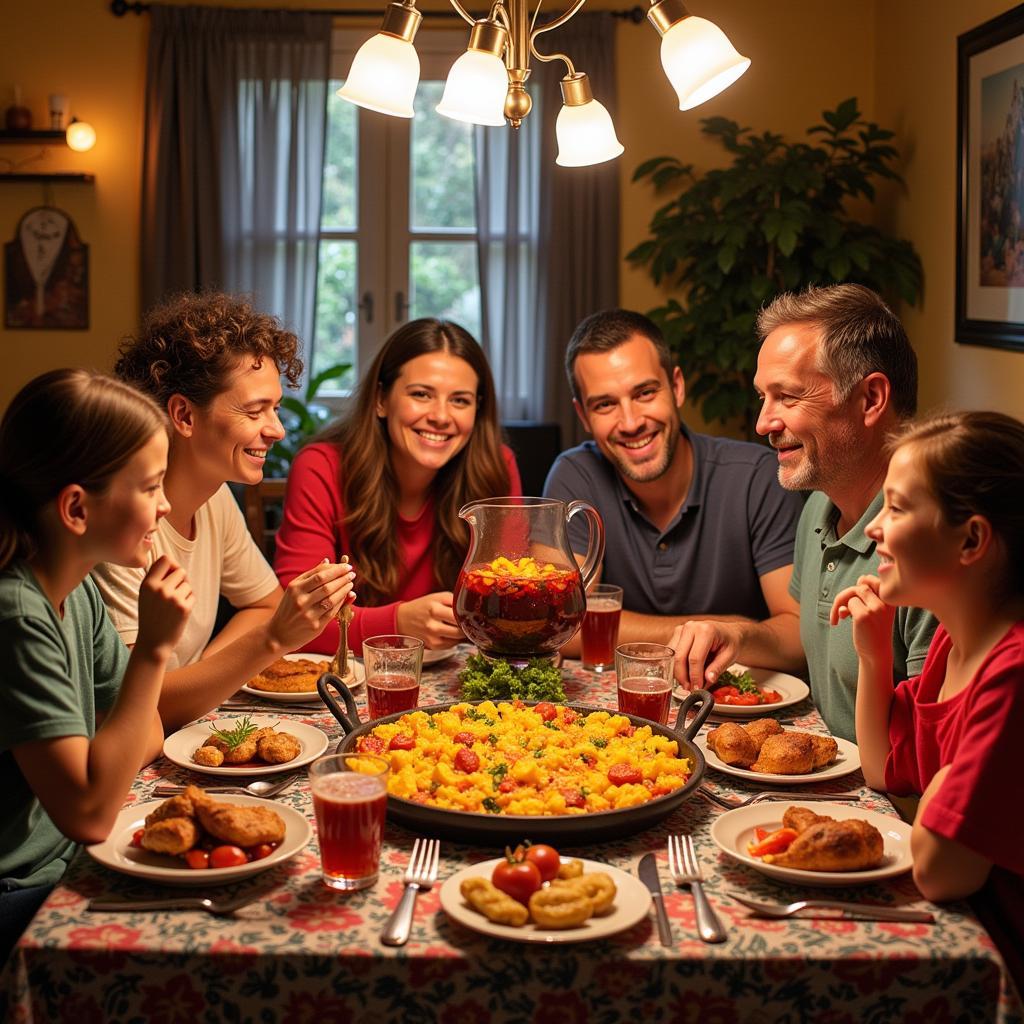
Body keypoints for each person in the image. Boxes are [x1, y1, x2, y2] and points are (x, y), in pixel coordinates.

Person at [92, 293, 355, 730]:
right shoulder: (121, 526)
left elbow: (264, 602)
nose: (275, 429)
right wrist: (268, 643)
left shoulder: (213, 495)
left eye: (275, 408)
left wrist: (198, 676)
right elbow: (140, 711)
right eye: (255, 411)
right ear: (184, 415)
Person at [0, 369, 193, 963]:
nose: (165, 506)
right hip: (21, 890)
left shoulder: (76, 591)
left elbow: (150, 730)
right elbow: (88, 813)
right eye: (152, 486)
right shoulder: (16, 614)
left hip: (68, 860)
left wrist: (98, 765)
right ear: (77, 508)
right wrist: (155, 649)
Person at [831, 411, 1024, 984]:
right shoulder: (951, 642)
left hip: (994, 970)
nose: (873, 528)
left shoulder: (1012, 671)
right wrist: (874, 657)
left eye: (896, 507)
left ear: (971, 540)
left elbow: (941, 873)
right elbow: (881, 770)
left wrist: (942, 784)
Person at [542, 308, 805, 671]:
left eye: (645, 393)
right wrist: (715, 629)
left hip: (733, 708)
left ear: (676, 387)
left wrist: (736, 635)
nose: (631, 422)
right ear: (584, 417)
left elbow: (799, 637)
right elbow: (557, 626)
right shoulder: (575, 476)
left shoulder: (756, 477)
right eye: (605, 405)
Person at [736, 283, 937, 741]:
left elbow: (940, 755)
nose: (763, 423)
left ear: (870, 399)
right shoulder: (817, 509)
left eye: (787, 397)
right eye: (762, 398)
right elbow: (811, 647)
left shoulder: (931, 544)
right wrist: (737, 637)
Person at [274, 317, 520, 654]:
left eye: (460, 400)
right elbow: (295, 622)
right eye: (421, 394)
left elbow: (513, 604)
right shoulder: (320, 467)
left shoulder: (497, 467)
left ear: (478, 411)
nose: (441, 416)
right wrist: (398, 624)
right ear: (381, 400)